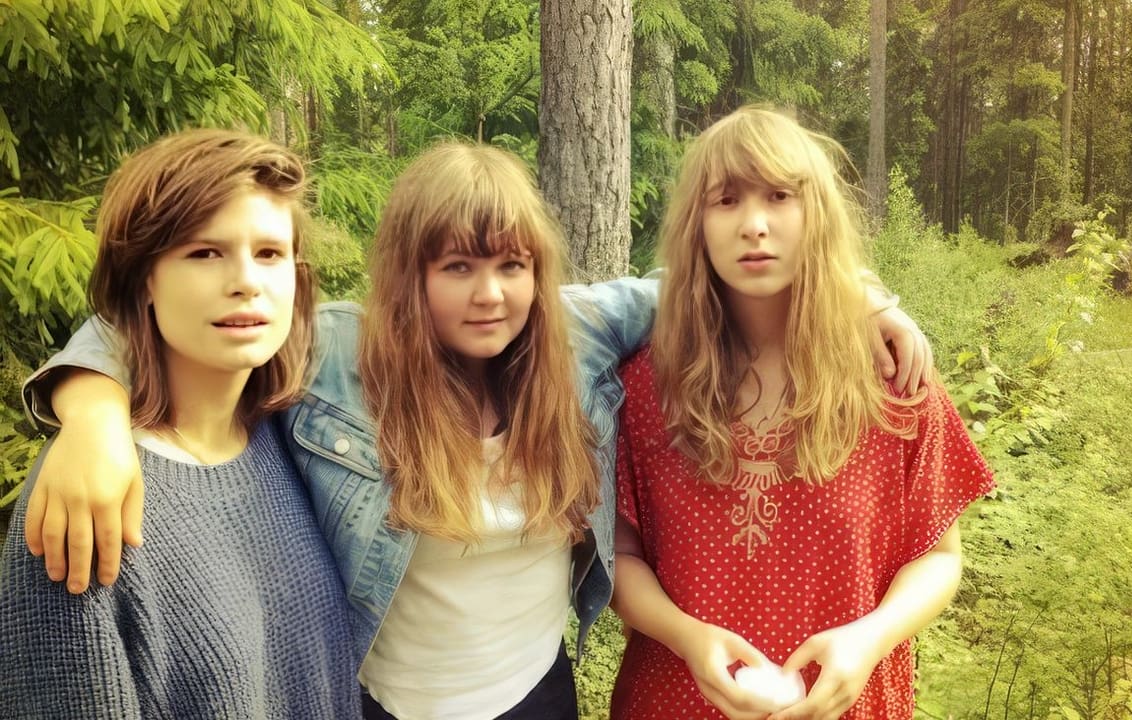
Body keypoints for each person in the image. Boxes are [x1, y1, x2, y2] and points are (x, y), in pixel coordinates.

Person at [18, 140, 933, 719]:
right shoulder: (339, 354)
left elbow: (718, 275)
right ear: (408, 275)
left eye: (511, 265)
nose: (490, 294)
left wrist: (871, 300)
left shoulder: (577, 336)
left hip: (537, 691)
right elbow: (172, 318)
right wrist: (91, 411)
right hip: (382, 701)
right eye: (456, 266)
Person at [609, 106, 995, 720]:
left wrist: (870, 638)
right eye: (726, 200)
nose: (754, 225)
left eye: (780, 196)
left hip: (847, 703)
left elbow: (939, 557)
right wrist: (686, 636)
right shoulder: (644, 385)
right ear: (696, 224)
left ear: (817, 214)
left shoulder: (892, 379)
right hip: (676, 701)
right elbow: (619, 557)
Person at [0, 128, 361, 718]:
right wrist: (91, 413)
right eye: (204, 252)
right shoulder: (86, 501)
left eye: (269, 253)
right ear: (144, 279)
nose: (246, 282)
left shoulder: (298, 437)